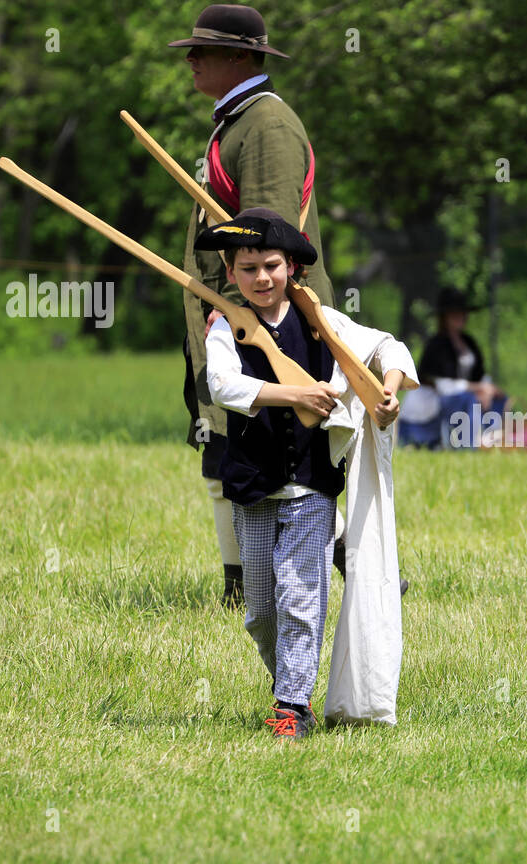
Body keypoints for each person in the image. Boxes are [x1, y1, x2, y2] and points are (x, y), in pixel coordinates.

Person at [200, 209, 417, 738]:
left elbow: (390, 348)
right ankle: (292, 686)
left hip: (310, 488)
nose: (262, 278)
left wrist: (384, 390)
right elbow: (223, 386)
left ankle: (291, 707)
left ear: (291, 267)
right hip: (252, 488)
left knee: (300, 595)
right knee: (260, 610)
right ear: (231, 273)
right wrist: (295, 393)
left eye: (271, 265)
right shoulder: (227, 327)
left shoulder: (322, 321)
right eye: (248, 268)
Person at [169, 3, 335, 606]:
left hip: (261, 323)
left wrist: (247, 321)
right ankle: (242, 583)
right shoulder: (237, 120)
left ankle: (353, 568)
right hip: (231, 317)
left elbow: (268, 243)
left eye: (202, 50)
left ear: (240, 57)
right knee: (225, 447)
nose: (190, 60)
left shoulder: (266, 125)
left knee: (288, 461)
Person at [403, 287, 509, 448]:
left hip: (463, 395)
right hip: (433, 402)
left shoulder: (468, 342)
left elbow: (479, 375)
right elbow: (443, 386)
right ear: (444, 317)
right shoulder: (436, 345)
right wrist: (479, 388)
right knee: (470, 400)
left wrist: (488, 389)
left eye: (462, 312)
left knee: (498, 398)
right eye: (455, 313)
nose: (460, 317)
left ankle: (495, 441)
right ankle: (469, 445)